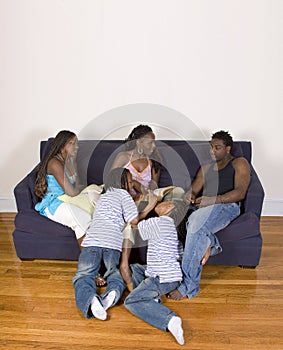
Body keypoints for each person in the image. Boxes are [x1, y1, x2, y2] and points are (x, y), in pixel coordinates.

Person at [167, 130, 251, 300]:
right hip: (203, 208)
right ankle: (211, 243)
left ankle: (189, 286)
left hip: (226, 206)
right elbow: (194, 190)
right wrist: (189, 196)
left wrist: (213, 200)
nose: (212, 151)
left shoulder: (239, 163)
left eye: (217, 147)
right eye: (211, 147)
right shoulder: (206, 168)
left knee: (196, 223)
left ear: (228, 148)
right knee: (180, 221)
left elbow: (240, 192)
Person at [72, 167, 157, 321]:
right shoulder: (124, 195)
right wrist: (150, 206)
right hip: (112, 244)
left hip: (91, 242)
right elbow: (134, 221)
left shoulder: (103, 197)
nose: (132, 186)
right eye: (130, 182)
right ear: (122, 183)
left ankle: (91, 300)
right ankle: (111, 294)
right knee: (115, 275)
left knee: (83, 276)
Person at [111, 124, 184, 289]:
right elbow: (112, 182)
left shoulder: (153, 160)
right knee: (132, 215)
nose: (154, 146)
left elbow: (154, 186)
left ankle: (172, 259)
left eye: (154, 142)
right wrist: (135, 189)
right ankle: (124, 265)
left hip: (146, 197)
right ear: (138, 143)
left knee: (176, 194)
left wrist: (150, 192)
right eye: (150, 143)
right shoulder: (124, 157)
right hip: (127, 197)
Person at [124, 199, 188, 345]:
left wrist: (149, 206)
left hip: (161, 278)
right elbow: (180, 255)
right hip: (170, 276)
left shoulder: (160, 222)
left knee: (131, 301)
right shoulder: (173, 228)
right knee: (135, 268)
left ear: (170, 207)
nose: (162, 202)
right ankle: (152, 298)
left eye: (166, 201)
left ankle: (170, 320)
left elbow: (134, 225)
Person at [34, 130, 93, 246]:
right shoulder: (54, 163)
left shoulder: (71, 161)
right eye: (72, 143)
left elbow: (77, 186)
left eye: (77, 144)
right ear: (62, 146)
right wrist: (78, 189)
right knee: (82, 218)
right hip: (55, 203)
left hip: (69, 198)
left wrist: (82, 190)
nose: (77, 147)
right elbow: (71, 191)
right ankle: (89, 262)